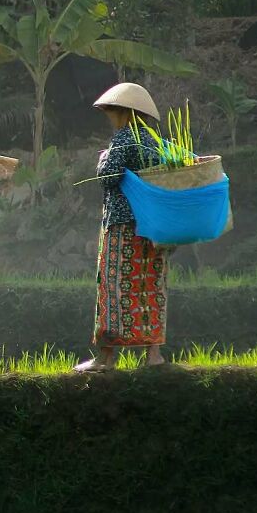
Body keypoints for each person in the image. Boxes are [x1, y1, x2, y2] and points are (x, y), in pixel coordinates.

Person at [75, 82, 172, 373]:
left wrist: (104, 156)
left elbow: (108, 176)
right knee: (150, 287)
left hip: (122, 227)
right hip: (153, 227)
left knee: (114, 287)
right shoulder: (155, 141)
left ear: (123, 113)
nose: (110, 118)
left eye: (112, 113)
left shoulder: (125, 138)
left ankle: (106, 357)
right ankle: (153, 355)